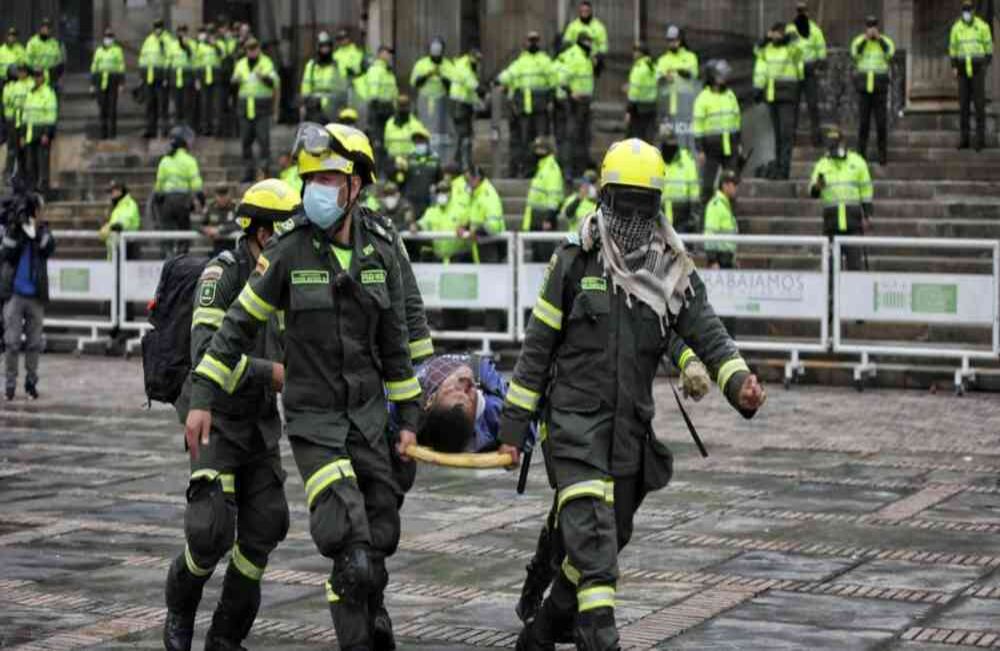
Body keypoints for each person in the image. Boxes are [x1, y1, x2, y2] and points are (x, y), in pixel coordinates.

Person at [501, 139, 765, 649]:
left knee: (607, 536)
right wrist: (514, 429)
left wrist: (740, 384)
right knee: (596, 548)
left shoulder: (670, 267)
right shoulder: (574, 261)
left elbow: (705, 330)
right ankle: (598, 633)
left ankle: (548, 623)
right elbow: (537, 350)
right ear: (604, 198)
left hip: (629, 432)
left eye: (647, 205)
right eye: (627, 203)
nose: (636, 217)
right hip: (573, 428)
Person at [185, 122, 422, 651]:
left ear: (355, 186)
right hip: (316, 422)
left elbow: (399, 351)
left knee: (379, 535)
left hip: (369, 419)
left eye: (329, 178)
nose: (317, 188)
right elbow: (235, 328)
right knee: (351, 546)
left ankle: (368, 610)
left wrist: (409, 423)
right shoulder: (288, 250)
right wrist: (201, 398)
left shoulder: (381, 252)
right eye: (310, 177)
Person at [163, 179, 296, 651]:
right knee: (211, 530)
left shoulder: (287, 276)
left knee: (268, 524)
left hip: (259, 422)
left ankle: (226, 635)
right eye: (285, 230)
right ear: (260, 231)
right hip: (214, 416)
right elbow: (207, 358)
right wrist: (271, 373)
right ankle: (180, 609)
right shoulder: (220, 277)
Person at [515, 334, 713, 625]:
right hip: (570, 420)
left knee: (613, 528)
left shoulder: (638, 292)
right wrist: (517, 419)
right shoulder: (570, 287)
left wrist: (690, 361)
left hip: (621, 424)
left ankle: (560, 607)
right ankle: (541, 594)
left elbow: (662, 326)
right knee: (575, 516)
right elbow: (540, 344)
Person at [0, 188, 54, 401]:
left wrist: (35, 231)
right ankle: (10, 384)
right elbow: (6, 253)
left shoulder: (43, 230)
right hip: (14, 294)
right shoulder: (12, 229)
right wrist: (17, 231)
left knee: (33, 343)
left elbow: (48, 247)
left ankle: (31, 382)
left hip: (36, 296)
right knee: (11, 342)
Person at [809, 125, 872, 271]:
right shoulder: (822, 164)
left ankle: (854, 293)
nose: (833, 149)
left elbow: (866, 190)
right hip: (831, 224)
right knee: (830, 268)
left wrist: (867, 215)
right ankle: (830, 293)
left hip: (853, 224)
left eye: (835, 144)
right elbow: (813, 192)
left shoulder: (857, 162)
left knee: (855, 266)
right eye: (830, 145)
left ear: (843, 143)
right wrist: (818, 186)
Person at [498, 32, 555, 178]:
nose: (533, 43)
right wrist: (500, 83)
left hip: (540, 108)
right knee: (525, 142)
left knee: (540, 141)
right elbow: (506, 76)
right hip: (524, 109)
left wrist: (552, 99)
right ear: (526, 42)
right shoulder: (520, 62)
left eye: (535, 40)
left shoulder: (545, 60)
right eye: (530, 40)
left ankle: (540, 170)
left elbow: (555, 79)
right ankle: (527, 170)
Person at [754, 22, 803, 180]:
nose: (775, 36)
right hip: (772, 95)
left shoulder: (789, 48)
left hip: (787, 96)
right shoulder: (767, 49)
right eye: (773, 33)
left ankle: (784, 169)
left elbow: (798, 51)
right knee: (775, 135)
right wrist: (764, 39)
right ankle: (776, 168)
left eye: (778, 33)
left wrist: (792, 37)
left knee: (785, 134)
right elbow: (757, 51)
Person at [692, 59, 740, 205]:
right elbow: (698, 126)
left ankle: (729, 215)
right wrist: (700, 149)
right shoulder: (703, 98)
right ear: (712, 77)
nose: (724, 78)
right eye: (720, 75)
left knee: (730, 183)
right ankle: (705, 217)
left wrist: (738, 143)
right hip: (711, 147)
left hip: (730, 145)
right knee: (708, 184)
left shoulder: (730, 95)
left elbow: (736, 121)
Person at [232, 38, 279, 182]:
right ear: (246, 50)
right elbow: (233, 82)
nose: (252, 52)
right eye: (249, 49)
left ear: (259, 49)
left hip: (261, 109)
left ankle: (264, 172)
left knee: (264, 141)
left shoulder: (266, 63)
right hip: (245, 107)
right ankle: (248, 173)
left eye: (254, 48)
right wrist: (236, 80)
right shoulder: (240, 64)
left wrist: (262, 77)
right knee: (246, 141)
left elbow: (274, 82)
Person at [850, 15, 895, 165]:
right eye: (869, 26)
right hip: (864, 88)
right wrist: (865, 39)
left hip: (880, 87)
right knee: (863, 124)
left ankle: (883, 155)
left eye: (874, 26)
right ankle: (861, 155)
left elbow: (890, 54)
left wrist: (879, 39)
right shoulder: (859, 41)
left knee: (881, 124)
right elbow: (855, 54)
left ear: (878, 27)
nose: (872, 29)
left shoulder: (886, 41)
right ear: (866, 27)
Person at [154, 126, 205, 256]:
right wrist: (201, 199)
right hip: (183, 202)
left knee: (167, 233)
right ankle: (182, 257)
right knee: (184, 232)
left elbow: (159, 185)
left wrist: (159, 201)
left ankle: (168, 257)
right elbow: (196, 185)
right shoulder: (189, 161)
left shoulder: (165, 160)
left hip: (167, 202)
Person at [950, 0, 993, 151]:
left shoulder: (982, 26)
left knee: (979, 106)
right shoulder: (956, 28)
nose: (967, 13)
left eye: (969, 10)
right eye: (964, 10)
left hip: (977, 70)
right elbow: (953, 48)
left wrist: (985, 65)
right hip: (962, 71)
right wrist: (954, 66)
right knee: (963, 107)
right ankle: (964, 139)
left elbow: (989, 48)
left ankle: (980, 140)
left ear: (974, 11)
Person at [556, 32, 596, 179]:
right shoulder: (574, 56)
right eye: (588, 42)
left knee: (584, 137)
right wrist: (571, 92)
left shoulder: (586, 57)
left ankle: (580, 169)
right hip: (574, 103)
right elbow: (561, 79)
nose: (590, 45)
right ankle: (569, 172)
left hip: (586, 102)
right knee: (572, 137)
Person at [789, 2, 827, 146]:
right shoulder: (790, 29)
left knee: (813, 105)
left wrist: (818, 65)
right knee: (794, 107)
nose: (801, 13)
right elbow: (786, 49)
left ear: (807, 12)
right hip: (794, 72)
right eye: (799, 11)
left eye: (803, 11)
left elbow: (821, 50)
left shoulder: (815, 30)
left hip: (810, 71)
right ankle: (791, 138)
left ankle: (816, 138)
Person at [521, 136, 564, 262]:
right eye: (536, 149)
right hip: (536, 217)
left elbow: (554, 197)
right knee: (537, 255)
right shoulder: (542, 167)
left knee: (544, 256)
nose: (537, 152)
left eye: (540, 149)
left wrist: (549, 218)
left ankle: (547, 281)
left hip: (544, 219)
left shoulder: (551, 169)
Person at [655, 24, 699, 145]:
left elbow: (694, 75)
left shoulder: (690, 57)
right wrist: (664, 77)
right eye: (669, 40)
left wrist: (679, 72)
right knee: (666, 141)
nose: (672, 43)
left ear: (680, 40)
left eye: (675, 40)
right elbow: (658, 78)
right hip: (667, 108)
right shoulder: (663, 60)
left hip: (686, 108)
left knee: (686, 141)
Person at [356, 45, 398, 171]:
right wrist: (376, 106)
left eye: (391, 54)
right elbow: (373, 93)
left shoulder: (388, 72)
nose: (390, 56)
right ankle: (376, 170)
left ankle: (383, 169)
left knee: (386, 142)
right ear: (380, 54)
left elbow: (393, 93)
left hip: (388, 110)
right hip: (378, 110)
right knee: (377, 142)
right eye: (387, 53)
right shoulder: (376, 70)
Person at [410, 37, 453, 158]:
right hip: (424, 99)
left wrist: (441, 76)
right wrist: (427, 75)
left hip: (442, 99)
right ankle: (422, 152)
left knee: (441, 129)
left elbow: (452, 86)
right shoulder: (421, 64)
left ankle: (439, 154)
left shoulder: (448, 65)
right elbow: (415, 83)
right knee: (424, 126)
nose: (436, 57)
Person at [19, 67, 58, 193]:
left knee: (43, 164)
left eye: (39, 75)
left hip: (42, 132)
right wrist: (22, 135)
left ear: (43, 77)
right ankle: (33, 191)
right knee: (31, 164)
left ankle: (43, 191)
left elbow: (51, 115)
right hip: (30, 132)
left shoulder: (48, 93)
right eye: (35, 76)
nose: (37, 78)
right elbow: (25, 115)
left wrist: (47, 133)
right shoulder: (30, 93)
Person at [660, 124, 700, 233]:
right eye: (667, 144)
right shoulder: (655, 160)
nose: (671, 147)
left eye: (673, 143)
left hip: (682, 221)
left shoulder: (687, 161)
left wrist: (693, 220)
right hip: (659, 220)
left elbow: (694, 194)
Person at [447, 48, 481, 169]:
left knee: (467, 135)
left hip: (465, 105)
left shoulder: (470, 67)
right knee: (463, 134)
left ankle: (464, 160)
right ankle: (460, 161)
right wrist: (479, 88)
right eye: (476, 59)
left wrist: (478, 102)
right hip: (458, 104)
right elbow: (468, 82)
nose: (477, 62)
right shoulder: (462, 65)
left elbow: (470, 91)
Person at [139, 19, 174, 139]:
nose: (157, 29)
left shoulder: (167, 39)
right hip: (149, 76)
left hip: (161, 76)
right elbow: (143, 57)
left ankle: (164, 130)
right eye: (155, 27)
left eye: (159, 27)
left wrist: (166, 76)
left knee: (163, 105)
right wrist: (142, 75)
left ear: (163, 27)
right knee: (150, 104)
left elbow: (170, 58)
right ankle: (150, 129)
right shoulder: (149, 40)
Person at [465, 165, 506, 265]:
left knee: (491, 279)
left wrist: (475, 232)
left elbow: (493, 225)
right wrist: (465, 227)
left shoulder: (488, 195)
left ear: (477, 178)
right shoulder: (477, 194)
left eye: (468, 180)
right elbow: (475, 218)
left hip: (489, 248)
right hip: (480, 246)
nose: (466, 183)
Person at [89, 28, 125, 140]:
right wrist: (92, 84)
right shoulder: (99, 51)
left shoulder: (117, 50)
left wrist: (121, 83)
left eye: (110, 37)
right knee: (102, 109)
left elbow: (121, 67)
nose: (108, 39)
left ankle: (112, 134)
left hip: (113, 81)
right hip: (101, 82)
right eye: (106, 37)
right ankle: (103, 134)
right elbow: (94, 67)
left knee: (112, 109)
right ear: (103, 38)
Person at [396, 128, 440, 220]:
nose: (419, 143)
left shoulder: (435, 159)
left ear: (427, 141)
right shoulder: (408, 159)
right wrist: (399, 170)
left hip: (428, 201)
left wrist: (436, 188)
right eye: (417, 141)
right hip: (411, 201)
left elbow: (439, 178)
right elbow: (400, 181)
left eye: (421, 141)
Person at [299, 32, 342, 124]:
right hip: (314, 107)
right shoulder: (311, 66)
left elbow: (341, 87)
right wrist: (303, 105)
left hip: (332, 107)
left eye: (327, 46)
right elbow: (306, 87)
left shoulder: (337, 65)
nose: (325, 49)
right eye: (322, 46)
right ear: (318, 48)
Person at [193, 24, 225, 137]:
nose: (210, 35)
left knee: (216, 104)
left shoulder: (220, 44)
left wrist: (215, 45)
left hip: (216, 76)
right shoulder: (200, 46)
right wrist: (196, 79)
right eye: (209, 33)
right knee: (204, 103)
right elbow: (196, 63)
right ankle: (205, 128)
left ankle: (217, 128)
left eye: (212, 32)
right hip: (203, 76)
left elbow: (222, 55)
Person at [704, 169, 740, 269]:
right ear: (724, 185)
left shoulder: (725, 205)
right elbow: (710, 234)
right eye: (733, 184)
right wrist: (713, 260)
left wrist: (734, 258)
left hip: (728, 259)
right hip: (719, 261)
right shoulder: (716, 205)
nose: (736, 188)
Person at [561, 1, 608, 76]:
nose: (584, 13)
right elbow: (566, 42)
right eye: (582, 11)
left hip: (592, 62)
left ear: (591, 11)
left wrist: (598, 57)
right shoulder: (573, 26)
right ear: (579, 12)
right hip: (576, 61)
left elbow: (603, 45)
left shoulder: (599, 27)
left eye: (587, 11)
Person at [99, 179, 141, 260]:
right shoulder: (118, 206)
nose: (110, 195)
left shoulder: (129, 204)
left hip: (128, 248)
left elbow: (124, 222)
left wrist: (109, 227)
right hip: (119, 248)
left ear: (119, 191)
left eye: (112, 191)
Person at [625, 42, 657, 142]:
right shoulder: (652, 65)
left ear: (641, 53)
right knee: (648, 137)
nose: (634, 54)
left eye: (636, 51)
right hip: (651, 106)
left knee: (634, 139)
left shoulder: (639, 67)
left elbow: (634, 92)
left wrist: (629, 110)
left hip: (638, 108)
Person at [2, 64, 30, 177]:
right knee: (13, 147)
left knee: (20, 146)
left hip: (19, 118)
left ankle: (19, 171)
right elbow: (8, 102)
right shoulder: (9, 87)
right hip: (11, 119)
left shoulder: (20, 86)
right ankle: (9, 172)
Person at [384, 95, 427, 161]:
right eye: (401, 106)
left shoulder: (416, 124)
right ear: (396, 107)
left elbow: (421, 145)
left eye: (405, 106)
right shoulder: (389, 124)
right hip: (392, 162)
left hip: (411, 161)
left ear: (409, 107)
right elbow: (386, 145)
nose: (403, 109)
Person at [25, 18, 63, 92]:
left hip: (51, 78)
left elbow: (59, 61)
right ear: (40, 29)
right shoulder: (32, 42)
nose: (46, 30)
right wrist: (34, 73)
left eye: (48, 28)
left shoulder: (54, 43)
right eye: (44, 27)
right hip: (36, 77)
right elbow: (27, 62)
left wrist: (57, 75)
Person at [200, 185, 240, 255]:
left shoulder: (235, 208)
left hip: (233, 248)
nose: (222, 199)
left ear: (229, 195)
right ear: (215, 196)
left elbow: (239, 225)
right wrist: (206, 230)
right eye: (220, 196)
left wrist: (220, 229)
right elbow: (200, 225)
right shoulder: (211, 208)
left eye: (225, 195)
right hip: (217, 247)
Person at [169, 25, 197, 126]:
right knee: (177, 103)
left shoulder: (192, 43)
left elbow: (194, 59)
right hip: (176, 76)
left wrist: (187, 47)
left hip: (187, 76)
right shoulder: (172, 45)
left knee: (187, 103)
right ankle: (178, 126)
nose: (182, 34)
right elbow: (169, 61)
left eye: (184, 32)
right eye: (180, 32)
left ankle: (188, 126)